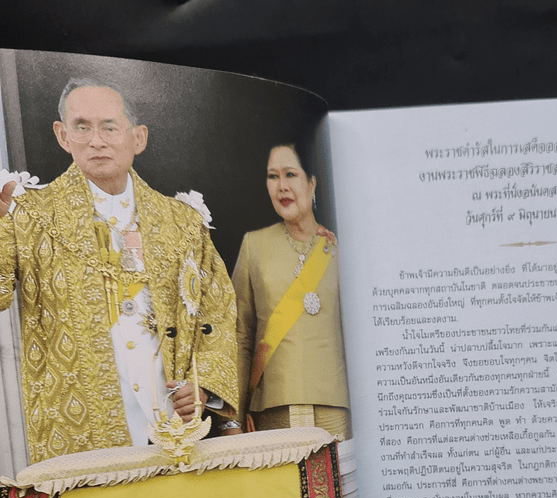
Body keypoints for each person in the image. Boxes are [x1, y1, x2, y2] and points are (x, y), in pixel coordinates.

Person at [0, 79, 238, 463]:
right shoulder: (28, 216)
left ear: (137, 138)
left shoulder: (182, 222)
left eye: (109, 126)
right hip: (79, 432)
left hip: (176, 428)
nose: (96, 140)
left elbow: (218, 313)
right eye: (81, 126)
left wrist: (203, 386)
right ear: (62, 136)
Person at [229, 142, 350, 438]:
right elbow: (239, 336)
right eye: (273, 176)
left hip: (335, 408)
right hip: (272, 408)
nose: (281, 186)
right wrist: (232, 418)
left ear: (312, 183)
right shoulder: (254, 245)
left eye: (290, 174)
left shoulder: (339, 247)